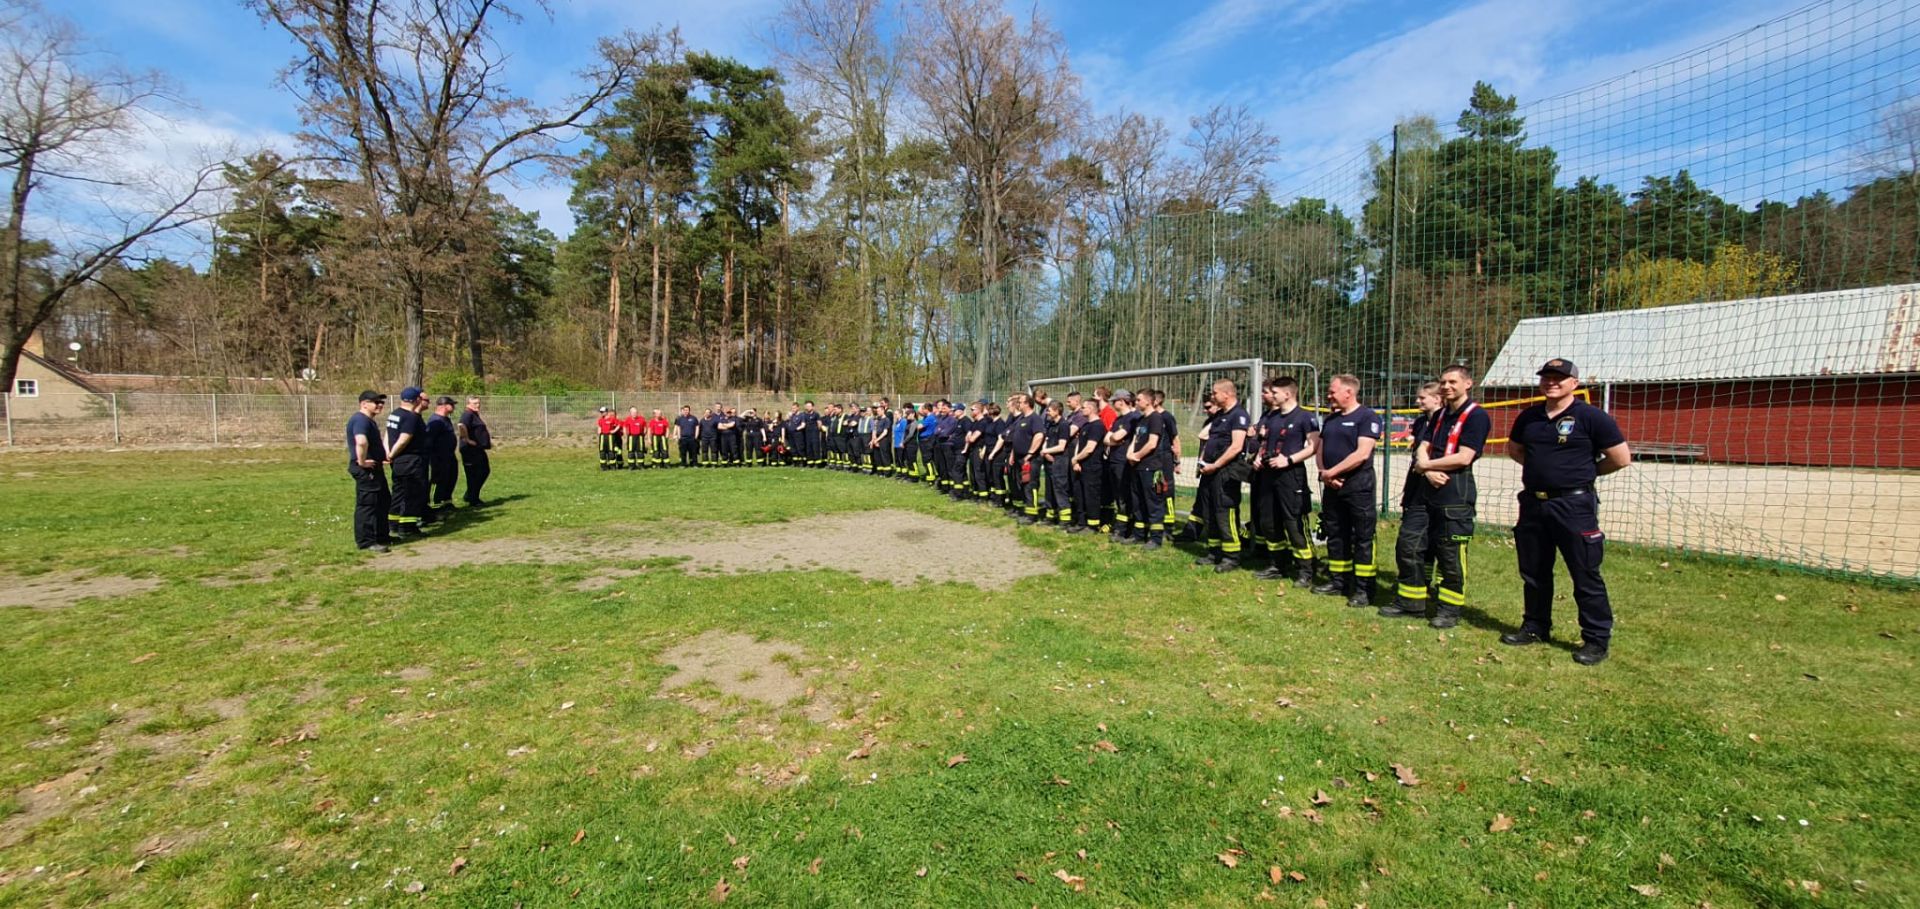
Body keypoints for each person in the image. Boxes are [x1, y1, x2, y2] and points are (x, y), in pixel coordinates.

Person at [1504, 358, 1631, 665]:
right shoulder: (1529, 417)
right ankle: (1535, 626)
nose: (1551, 382)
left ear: (1574, 383)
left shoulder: (1591, 417)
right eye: (1546, 377)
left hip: (1574, 506)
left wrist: (1582, 475)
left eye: (1559, 378)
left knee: (1585, 573)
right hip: (1534, 504)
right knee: (1534, 572)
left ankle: (1595, 639)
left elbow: (1620, 457)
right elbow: (1516, 450)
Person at [1384, 365, 1494, 629]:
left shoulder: (1476, 416)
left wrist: (1428, 467)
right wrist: (1424, 467)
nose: (1446, 387)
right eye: (1443, 382)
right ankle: (1411, 602)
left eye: (1452, 382)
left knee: (1450, 554)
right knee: (1409, 545)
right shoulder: (1439, 414)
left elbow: (1465, 456)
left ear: (1468, 384)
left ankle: (1449, 610)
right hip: (1424, 491)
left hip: (1454, 490)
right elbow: (1422, 445)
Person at [1313, 375, 1382, 606]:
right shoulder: (1331, 418)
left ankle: (1363, 589)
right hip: (1332, 487)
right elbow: (1320, 449)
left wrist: (1333, 473)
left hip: (1358, 487)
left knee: (1362, 538)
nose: (1329, 395)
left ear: (1348, 392)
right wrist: (1325, 473)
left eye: (1332, 391)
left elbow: (1362, 453)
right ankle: (1338, 581)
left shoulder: (1367, 417)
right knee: (1336, 534)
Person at [1250, 377, 1319, 586]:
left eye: (1276, 392)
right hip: (1268, 476)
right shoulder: (1272, 417)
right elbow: (1264, 442)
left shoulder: (1305, 417)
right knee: (1269, 522)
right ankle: (1277, 564)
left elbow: (1313, 445)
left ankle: (1306, 569)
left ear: (1287, 394)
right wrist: (1259, 457)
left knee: (1294, 523)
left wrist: (1289, 460)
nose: (1272, 395)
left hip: (1291, 476)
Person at [1385, 383, 1444, 604]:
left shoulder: (1448, 422)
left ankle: (1441, 584)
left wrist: (1428, 470)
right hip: (1416, 484)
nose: (1417, 402)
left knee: (1441, 541)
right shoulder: (1420, 423)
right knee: (1418, 540)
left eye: (1422, 398)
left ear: (1437, 399)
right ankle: (1422, 580)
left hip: (1439, 485)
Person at [1191, 380, 1251, 570]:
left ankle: (1231, 556)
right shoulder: (1220, 416)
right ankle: (1214, 551)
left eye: (1215, 393)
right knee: (1210, 512)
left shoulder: (1238, 415)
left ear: (1227, 394)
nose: (1212, 396)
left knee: (1225, 513)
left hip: (1225, 472)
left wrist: (1216, 465)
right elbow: (1206, 437)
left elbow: (1236, 446)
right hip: (1209, 471)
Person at [346, 390, 392, 552]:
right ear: (364, 404)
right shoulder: (360, 420)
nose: (380, 405)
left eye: (381, 402)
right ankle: (366, 541)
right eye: (375, 402)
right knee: (368, 505)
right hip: (366, 470)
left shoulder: (368, 420)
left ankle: (381, 536)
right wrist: (362, 461)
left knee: (383, 500)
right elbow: (361, 441)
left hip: (375, 467)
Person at [385, 386, 430, 537]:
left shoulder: (394, 414)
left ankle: (393, 524)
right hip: (410, 460)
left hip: (398, 462)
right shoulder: (411, 417)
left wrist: (388, 453)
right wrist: (392, 453)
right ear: (417, 399)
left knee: (398, 493)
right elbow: (404, 439)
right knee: (413, 493)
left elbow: (387, 434)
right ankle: (407, 527)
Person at [1103, 391, 1140, 536]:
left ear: (1122, 401)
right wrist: (1115, 439)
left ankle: (1125, 527)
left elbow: (1117, 436)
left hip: (1123, 462)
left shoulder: (1133, 417)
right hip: (1113, 460)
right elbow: (1107, 439)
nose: (1113, 404)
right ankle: (1121, 525)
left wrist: (1116, 439)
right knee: (1118, 495)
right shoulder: (1119, 419)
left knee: (1125, 495)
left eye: (1115, 401)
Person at [1068, 398, 1105, 534]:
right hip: (1080, 466)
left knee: (1091, 495)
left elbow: (1090, 448)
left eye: (1083, 407)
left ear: (1091, 409)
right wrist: (1076, 460)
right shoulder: (1085, 425)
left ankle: (1093, 525)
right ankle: (1081, 522)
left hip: (1092, 467)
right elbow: (1080, 444)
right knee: (1079, 495)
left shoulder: (1097, 426)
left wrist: (1075, 459)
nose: (1081, 409)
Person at [425, 396, 459, 518]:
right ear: (444, 406)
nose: (454, 407)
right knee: (439, 481)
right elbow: (429, 441)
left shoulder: (446, 419)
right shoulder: (435, 421)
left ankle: (447, 503)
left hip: (449, 456)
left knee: (450, 479)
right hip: (439, 458)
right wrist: (434, 458)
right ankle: (436, 507)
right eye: (452, 404)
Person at [455, 396, 492, 506]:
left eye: (478, 403)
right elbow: (461, 426)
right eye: (475, 403)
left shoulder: (474, 414)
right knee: (474, 474)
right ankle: (473, 499)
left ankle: (470, 494)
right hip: (470, 450)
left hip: (478, 449)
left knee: (484, 471)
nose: (478, 405)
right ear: (468, 404)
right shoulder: (467, 414)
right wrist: (467, 439)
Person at [1040, 400, 1072, 525]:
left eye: (1049, 410)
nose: (1047, 412)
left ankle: (1064, 519)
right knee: (1049, 489)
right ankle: (1050, 515)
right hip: (1049, 460)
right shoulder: (1051, 424)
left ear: (1057, 411)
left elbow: (1061, 446)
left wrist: (1045, 451)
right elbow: (1047, 440)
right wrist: (1045, 452)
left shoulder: (1064, 425)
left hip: (1059, 461)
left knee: (1060, 489)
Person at [596, 406, 621, 470]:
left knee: (611, 452)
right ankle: (603, 466)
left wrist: (614, 431)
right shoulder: (600, 420)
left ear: (606, 412)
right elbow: (599, 426)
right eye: (600, 412)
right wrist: (599, 431)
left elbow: (618, 425)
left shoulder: (612, 419)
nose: (601, 413)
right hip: (602, 437)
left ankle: (612, 466)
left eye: (602, 412)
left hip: (610, 436)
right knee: (602, 452)